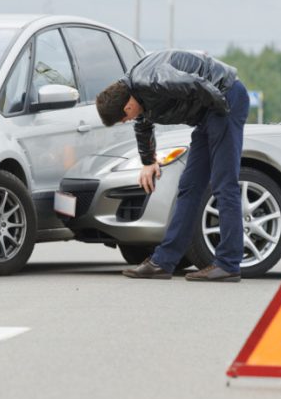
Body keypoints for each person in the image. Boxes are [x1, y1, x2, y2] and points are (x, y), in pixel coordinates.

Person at [96, 50, 249, 282]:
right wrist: (148, 162)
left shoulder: (153, 80)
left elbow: (196, 84)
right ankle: (163, 262)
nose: (127, 121)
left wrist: (222, 114)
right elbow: (143, 124)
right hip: (209, 113)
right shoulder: (134, 91)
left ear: (127, 107)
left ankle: (228, 263)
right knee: (189, 186)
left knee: (223, 183)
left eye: (123, 119)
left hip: (224, 101)